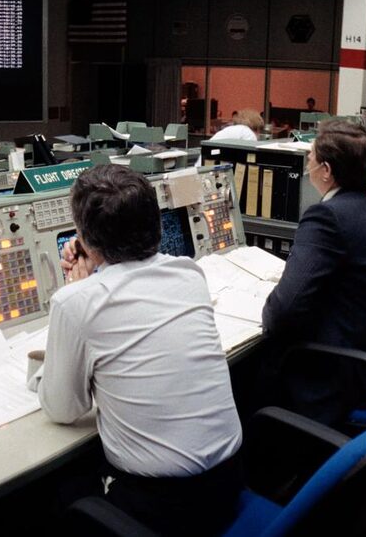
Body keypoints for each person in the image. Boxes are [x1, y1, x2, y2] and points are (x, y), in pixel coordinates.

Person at [40, 165, 243, 535]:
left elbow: (63, 409)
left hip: (161, 509)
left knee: (48, 495)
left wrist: (81, 287)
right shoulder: (188, 273)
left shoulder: (77, 303)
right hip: (228, 486)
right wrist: (95, 269)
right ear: (157, 223)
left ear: (85, 237)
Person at [261, 120, 366, 426]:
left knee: (249, 368)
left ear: (326, 170)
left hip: (332, 374)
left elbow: (282, 314)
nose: (308, 163)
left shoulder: (326, 215)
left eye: (311, 157)